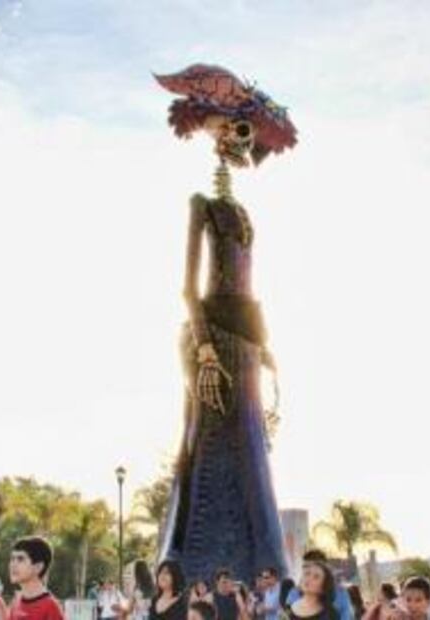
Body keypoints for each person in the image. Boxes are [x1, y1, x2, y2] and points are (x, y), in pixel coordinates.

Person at [154, 63, 296, 583]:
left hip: (245, 341)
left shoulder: (247, 216)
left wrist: (263, 344)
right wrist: (206, 347)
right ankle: (196, 563)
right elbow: (189, 288)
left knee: (250, 452)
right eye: (234, 132)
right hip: (212, 338)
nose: (241, 143)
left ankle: (257, 567)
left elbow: (249, 285)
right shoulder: (204, 206)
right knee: (209, 444)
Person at [1, 537, 64, 620]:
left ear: (38, 567)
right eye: (12, 559)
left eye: (20, 559)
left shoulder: (50, 607)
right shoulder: (15, 603)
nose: (13, 565)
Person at [285, 551, 353, 620]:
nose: (308, 577)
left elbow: (346, 617)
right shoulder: (293, 593)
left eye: (316, 575)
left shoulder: (341, 593)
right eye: (306, 570)